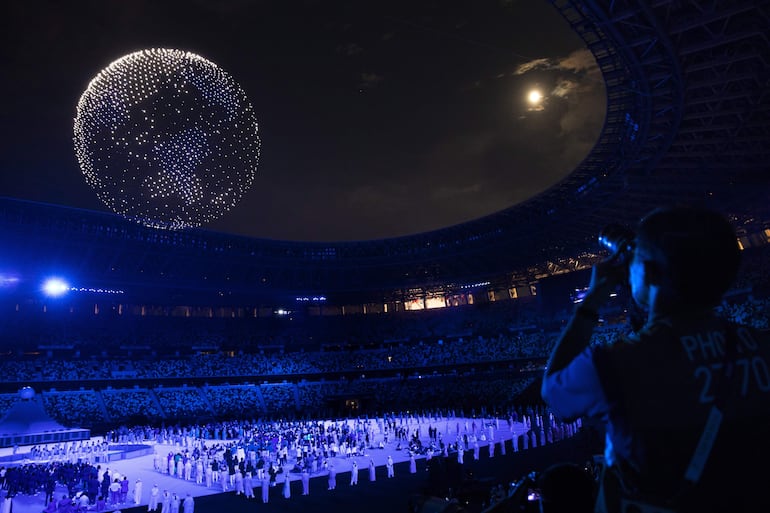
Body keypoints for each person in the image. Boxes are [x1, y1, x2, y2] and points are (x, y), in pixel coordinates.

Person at [541, 205, 770, 513]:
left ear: (647, 273)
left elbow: (552, 393)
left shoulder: (611, 365)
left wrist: (591, 302)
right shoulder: (762, 347)